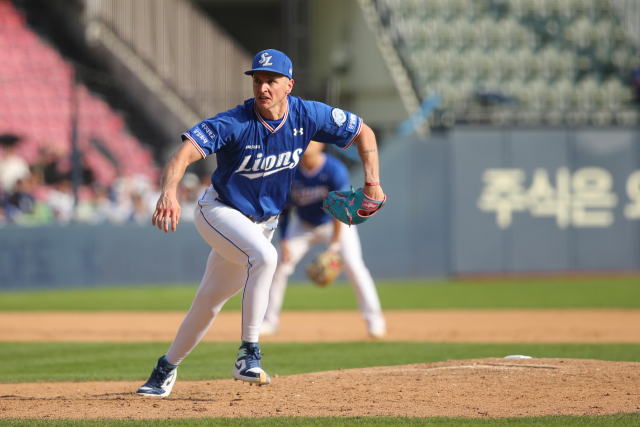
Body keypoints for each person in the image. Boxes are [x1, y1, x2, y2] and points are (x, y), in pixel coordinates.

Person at [136, 49, 385, 397]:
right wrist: (169, 191)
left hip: (261, 224)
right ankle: (248, 354)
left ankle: (164, 369)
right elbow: (185, 153)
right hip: (219, 211)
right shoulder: (235, 121)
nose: (263, 87)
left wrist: (372, 181)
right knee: (266, 258)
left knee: (208, 302)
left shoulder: (308, 115)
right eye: (257, 80)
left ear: (289, 85)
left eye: (271, 80)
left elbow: (364, 132)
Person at [261, 141, 386, 338]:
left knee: (354, 266)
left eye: (312, 140)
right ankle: (269, 321)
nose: (307, 144)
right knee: (278, 265)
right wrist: (284, 240)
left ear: (321, 145)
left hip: (335, 222)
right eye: (304, 140)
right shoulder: (290, 171)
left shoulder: (333, 169)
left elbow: (342, 207)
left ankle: (375, 321)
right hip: (303, 225)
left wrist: (335, 245)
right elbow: (283, 210)